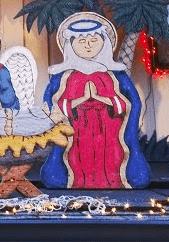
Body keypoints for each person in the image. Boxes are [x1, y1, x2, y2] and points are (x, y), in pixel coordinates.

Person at [39, 12, 150, 189]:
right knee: (76, 157)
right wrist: (79, 100)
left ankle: (116, 179)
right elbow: (49, 106)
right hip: (75, 131)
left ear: (104, 42)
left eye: (93, 40)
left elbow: (133, 102)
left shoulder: (116, 72)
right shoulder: (61, 75)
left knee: (111, 155)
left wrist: (103, 100)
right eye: (82, 42)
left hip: (110, 131)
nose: (88, 46)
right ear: (71, 44)